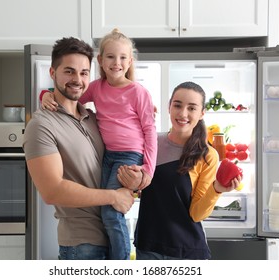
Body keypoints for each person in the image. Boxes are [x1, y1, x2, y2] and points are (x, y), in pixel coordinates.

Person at [40, 29, 157, 260]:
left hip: (128, 157)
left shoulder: (138, 92)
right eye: (111, 57)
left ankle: (121, 263)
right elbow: (70, 98)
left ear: (130, 61)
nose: (117, 63)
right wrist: (46, 93)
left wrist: (148, 171)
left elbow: (150, 131)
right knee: (102, 208)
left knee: (111, 213)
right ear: (101, 61)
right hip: (107, 156)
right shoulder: (96, 87)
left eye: (123, 57)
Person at [23, 37, 135, 260]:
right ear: (53, 73)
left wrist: (134, 180)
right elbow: (52, 191)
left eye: (84, 73)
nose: (77, 79)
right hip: (81, 246)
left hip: (113, 238)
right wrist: (113, 197)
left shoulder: (92, 118)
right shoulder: (41, 125)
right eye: (69, 71)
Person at [117, 81, 241, 260]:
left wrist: (217, 189)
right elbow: (139, 186)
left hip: (187, 251)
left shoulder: (207, 155)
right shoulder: (151, 143)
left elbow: (197, 214)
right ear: (169, 107)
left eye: (192, 108)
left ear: (202, 113)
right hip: (149, 245)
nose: (183, 113)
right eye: (177, 105)